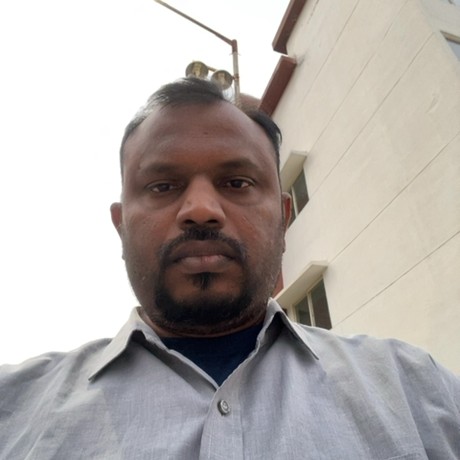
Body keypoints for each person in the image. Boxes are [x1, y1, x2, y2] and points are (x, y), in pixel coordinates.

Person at [0, 78, 459, 459]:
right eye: (162, 186)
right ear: (121, 225)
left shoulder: (418, 391)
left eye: (237, 182)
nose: (201, 210)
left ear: (283, 218)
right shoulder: (13, 408)